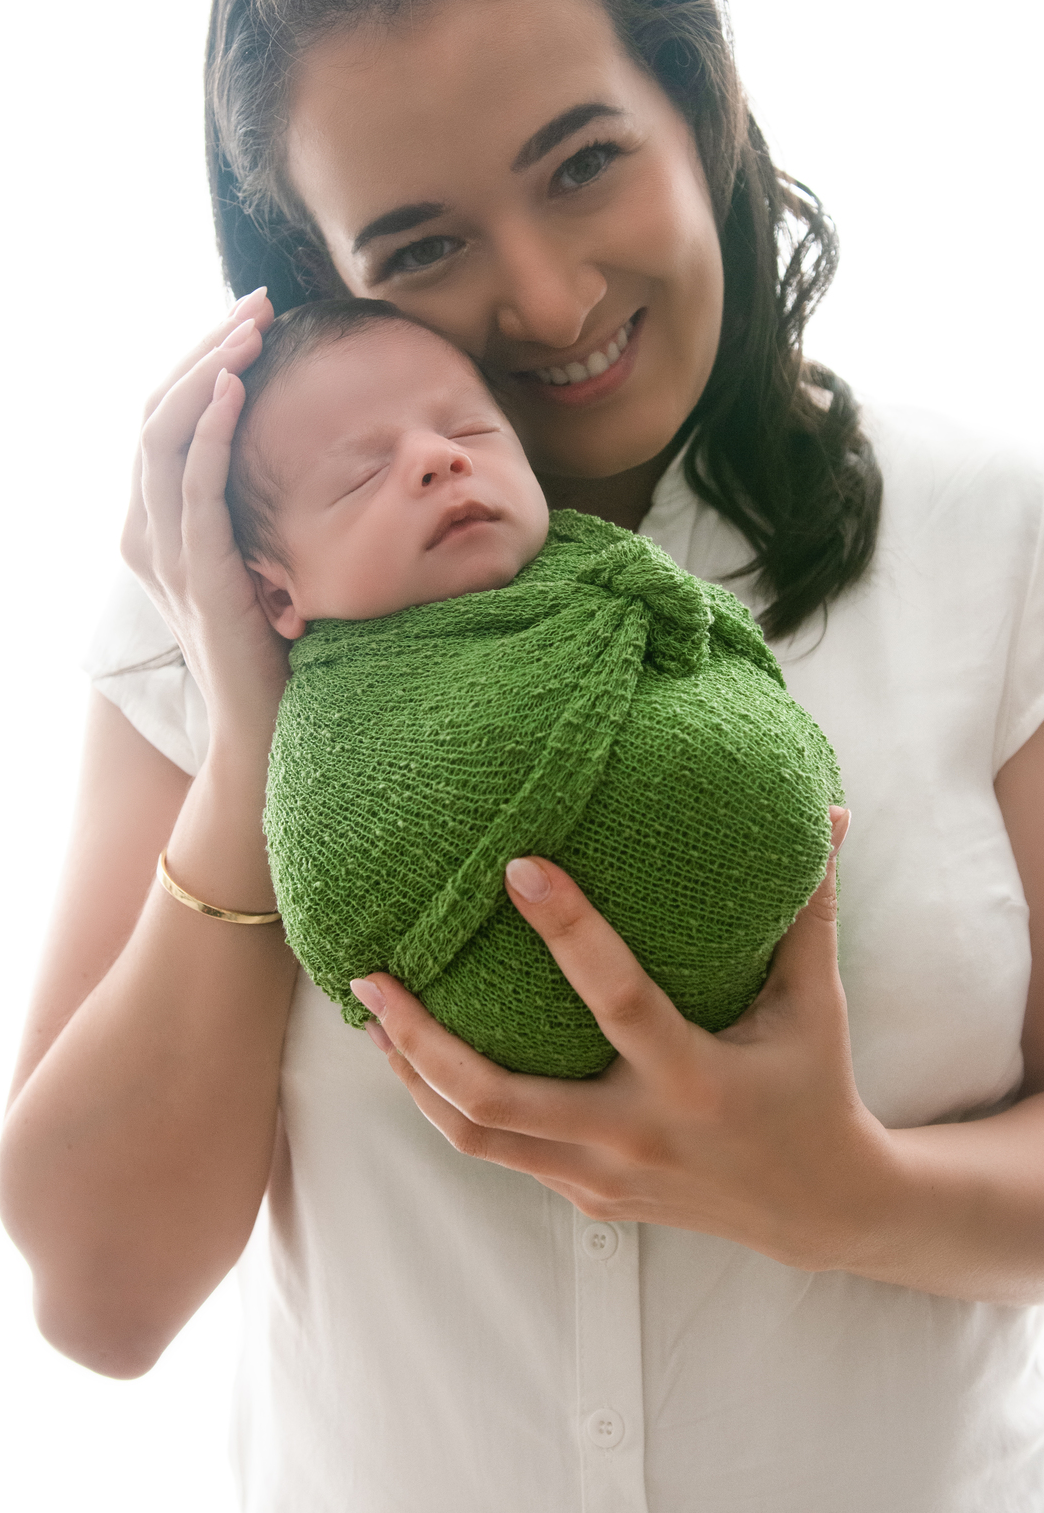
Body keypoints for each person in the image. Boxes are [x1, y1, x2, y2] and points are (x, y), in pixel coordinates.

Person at [0, 0, 1044, 1513]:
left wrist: (843, 1194)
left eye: (583, 162)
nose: (549, 302)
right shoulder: (214, 610)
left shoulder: (991, 534)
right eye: (420, 247)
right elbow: (100, 1305)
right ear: (312, 277)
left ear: (698, 107)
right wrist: (255, 741)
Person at [225, 295, 839, 1076]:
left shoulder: (600, 571)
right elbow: (334, 892)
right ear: (279, 595)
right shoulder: (336, 731)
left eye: (469, 431)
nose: (439, 458)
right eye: (363, 475)